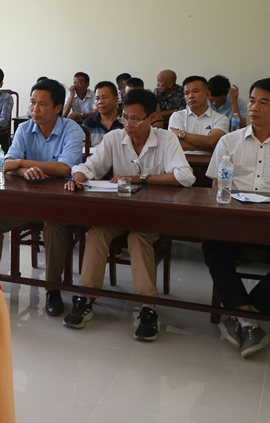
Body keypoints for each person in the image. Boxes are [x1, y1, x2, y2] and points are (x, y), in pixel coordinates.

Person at [64, 89, 195, 341]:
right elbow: (90, 166)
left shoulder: (166, 139)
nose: (128, 124)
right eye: (125, 117)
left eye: (135, 119)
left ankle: (147, 307)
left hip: (151, 217)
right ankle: (86, 298)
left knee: (138, 237)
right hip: (118, 214)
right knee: (97, 232)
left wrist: (140, 178)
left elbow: (185, 177)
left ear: (152, 118)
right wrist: (78, 176)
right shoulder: (114, 138)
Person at [203, 77, 270, 358]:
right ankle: (249, 319)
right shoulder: (229, 141)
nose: (254, 107)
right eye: (252, 100)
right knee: (213, 248)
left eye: (263, 102)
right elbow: (216, 188)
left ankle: (243, 315)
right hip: (234, 221)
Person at [0, 78, 83, 317]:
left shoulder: (71, 129)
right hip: (27, 202)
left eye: (42, 104)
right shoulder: (24, 128)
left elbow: (64, 168)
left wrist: (22, 162)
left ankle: (52, 289)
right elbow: (7, 165)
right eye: (32, 102)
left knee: (54, 226)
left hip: (59, 203)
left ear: (58, 107)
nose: (34, 108)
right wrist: (25, 171)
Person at [168, 76, 229, 152]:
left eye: (195, 91)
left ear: (207, 94)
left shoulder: (221, 119)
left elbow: (212, 142)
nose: (191, 96)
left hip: (209, 160)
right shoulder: (177, 116)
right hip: (182, 159)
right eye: (186, 93)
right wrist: (207, 147)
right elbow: (175, 144)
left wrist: (182, 134)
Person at [81, 81, 123, 147]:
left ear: (116, 100)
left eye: (104, 97)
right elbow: (84, 150)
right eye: (97, 98)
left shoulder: (126, 122)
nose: (100, 102)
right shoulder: (88, 123)